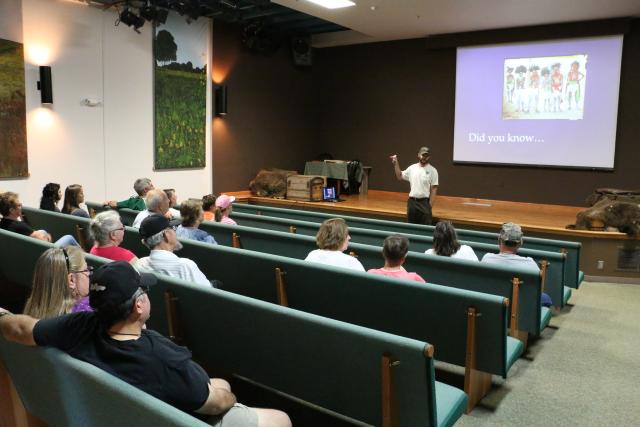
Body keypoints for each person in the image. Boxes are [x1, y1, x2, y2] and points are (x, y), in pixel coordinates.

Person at [0, 262, 291, 427]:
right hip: (179, 417)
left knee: (218, 383)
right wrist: (228, 397)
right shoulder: (159, 357)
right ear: (139, 306)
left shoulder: (76, 326)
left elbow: (20, 327)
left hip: (122, 412)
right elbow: (214, 404)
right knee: (281, 418)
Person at [481, 222, 552, 307]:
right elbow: (537, 291)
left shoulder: (487, 259)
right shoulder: (530, 264)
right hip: (521, 308)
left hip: (493, 306)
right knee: (545, 298)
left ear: (499, 240)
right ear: (520, 243)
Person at [136, 214, 212, 287]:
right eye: (174, 228)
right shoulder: (185, 266)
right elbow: (209, 293)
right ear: (166, 235)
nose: (175, 232)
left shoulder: (140, 264)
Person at [23, 246, 92, 318]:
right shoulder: (84, 319)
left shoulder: (28, 315)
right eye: (86, 270)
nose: (89, 273)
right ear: (71, 280)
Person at [0, 191, 79, 247]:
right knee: (69, 238)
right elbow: (44, 241)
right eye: (19, 205)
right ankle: (89, 262)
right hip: (43, 257)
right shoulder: (19, 226)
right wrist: (48, 236)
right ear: (12, 211)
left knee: (42, 231)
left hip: (21, 253)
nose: (21, 206)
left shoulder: (3, 223)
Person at [391, 146, 439, 225]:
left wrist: (429, 206)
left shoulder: (433, 170)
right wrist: (396, 164)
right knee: (410, 228)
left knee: (425, 230)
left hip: (424, 203)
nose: (424, 157)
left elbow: (434, 189)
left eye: (426, 156)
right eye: (423, 155)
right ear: (418, 155)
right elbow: (399, 176)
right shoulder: (412, 168)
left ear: (429, 157)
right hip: (412, 203)